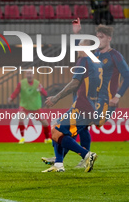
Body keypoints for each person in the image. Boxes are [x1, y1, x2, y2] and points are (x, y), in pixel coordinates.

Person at [42, 23, 129, 168]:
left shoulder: (114, 55)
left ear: (109, 38)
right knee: (79, 127)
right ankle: (68, 158)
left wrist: (118, 96)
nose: (98, 40)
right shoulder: (95, 55)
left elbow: (127, 75)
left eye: (101, 37)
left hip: (104, 101)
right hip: (91, 99)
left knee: (70, 127)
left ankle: (68, 158)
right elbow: (83, 50)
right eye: (96, 37)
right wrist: (77, 34)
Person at [42, 40, 102, 173]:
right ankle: (58, 163)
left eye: (80, 45)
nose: (77, 48)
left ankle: (86, 155)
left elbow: (75, 83)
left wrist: (55, 98)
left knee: (56, 130)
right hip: (91, 106)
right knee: (60, 130)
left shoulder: (84, 60)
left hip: (82, 106)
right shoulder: (98, 63)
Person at [8, 71, 52, 144]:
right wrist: (11, 98)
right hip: (25, 106)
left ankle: (47, 139)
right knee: (21, 119)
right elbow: (16, 92)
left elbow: (45, 93)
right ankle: (22, 138)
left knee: (45, 123)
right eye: (28, 73)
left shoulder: (37, 83)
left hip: (35, 107)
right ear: (25, 75)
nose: (29, 75)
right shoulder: (21, 83)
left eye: (30, 73)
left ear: (33, 75)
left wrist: (41, 90)